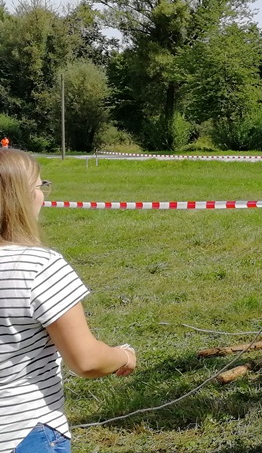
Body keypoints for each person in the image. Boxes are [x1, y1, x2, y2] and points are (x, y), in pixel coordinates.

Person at [0, 148, 137, 453]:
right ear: (23, 197)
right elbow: (87, 361)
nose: (42, 194)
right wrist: (124, 356)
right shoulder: (38, 266)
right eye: (40, 186)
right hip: (25, 435)